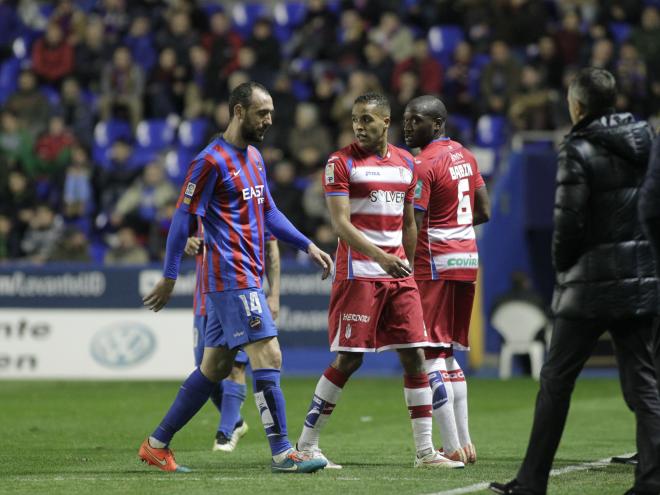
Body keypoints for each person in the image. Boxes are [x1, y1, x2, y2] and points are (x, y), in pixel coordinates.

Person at [139, 82, 333, 474]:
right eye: (263, 112)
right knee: (269, 353)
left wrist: (306, 244)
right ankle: (282, 453)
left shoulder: (256, 157)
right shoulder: (209, 162)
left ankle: (156, 444)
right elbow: (181, 219)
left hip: (243, 277)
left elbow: (270, 213)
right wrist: (170, 275)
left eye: (272, 112)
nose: (270, 120)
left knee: (213, 368)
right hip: (232, 276)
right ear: (239, 111)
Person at [490, 68, 660, 495]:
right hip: (639, 277)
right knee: (644, 382)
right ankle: (652, 481)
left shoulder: (578, 149)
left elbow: (568, 223)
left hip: (588, 283)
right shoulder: (647, 140)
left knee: (556, 381)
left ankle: (531, 483)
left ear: (578, 105)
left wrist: (563, 268)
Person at [295, 92, 464, 469]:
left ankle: (425, 452)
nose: (359, 126)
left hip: (397, 273)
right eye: (355, 119)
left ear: (386, 122)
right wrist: (382, 258)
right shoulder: (340, 163)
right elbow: (341, 224)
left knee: (415, 356)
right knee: (349, 359)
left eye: (367, 120)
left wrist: (408, 268)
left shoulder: (407, 163)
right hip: (359, 274)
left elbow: (409, 223)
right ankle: (306, 445)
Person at [403, 95, 491, 465]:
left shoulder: (423, 164)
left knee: (429, 353)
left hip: (433, 262)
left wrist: (404, 266)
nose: (407, 127)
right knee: (449, 354)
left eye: (415, 120)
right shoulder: (466, 156)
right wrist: (456, 229)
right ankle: (466, 444)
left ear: (437, 124)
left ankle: (452, 446)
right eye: (406, 120)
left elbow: (414, 223)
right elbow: (484, 209)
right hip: (466, 258)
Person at [183, 221, 281, 452]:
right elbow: (181, 233)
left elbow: (271, 248)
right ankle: (236, 421)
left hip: (237, 298)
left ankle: (225, 433)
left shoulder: (250, 201)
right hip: (204, 301)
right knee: (206, 371)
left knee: (235, 367)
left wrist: (274, 294)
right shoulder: (202, 205)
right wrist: (187, 243)